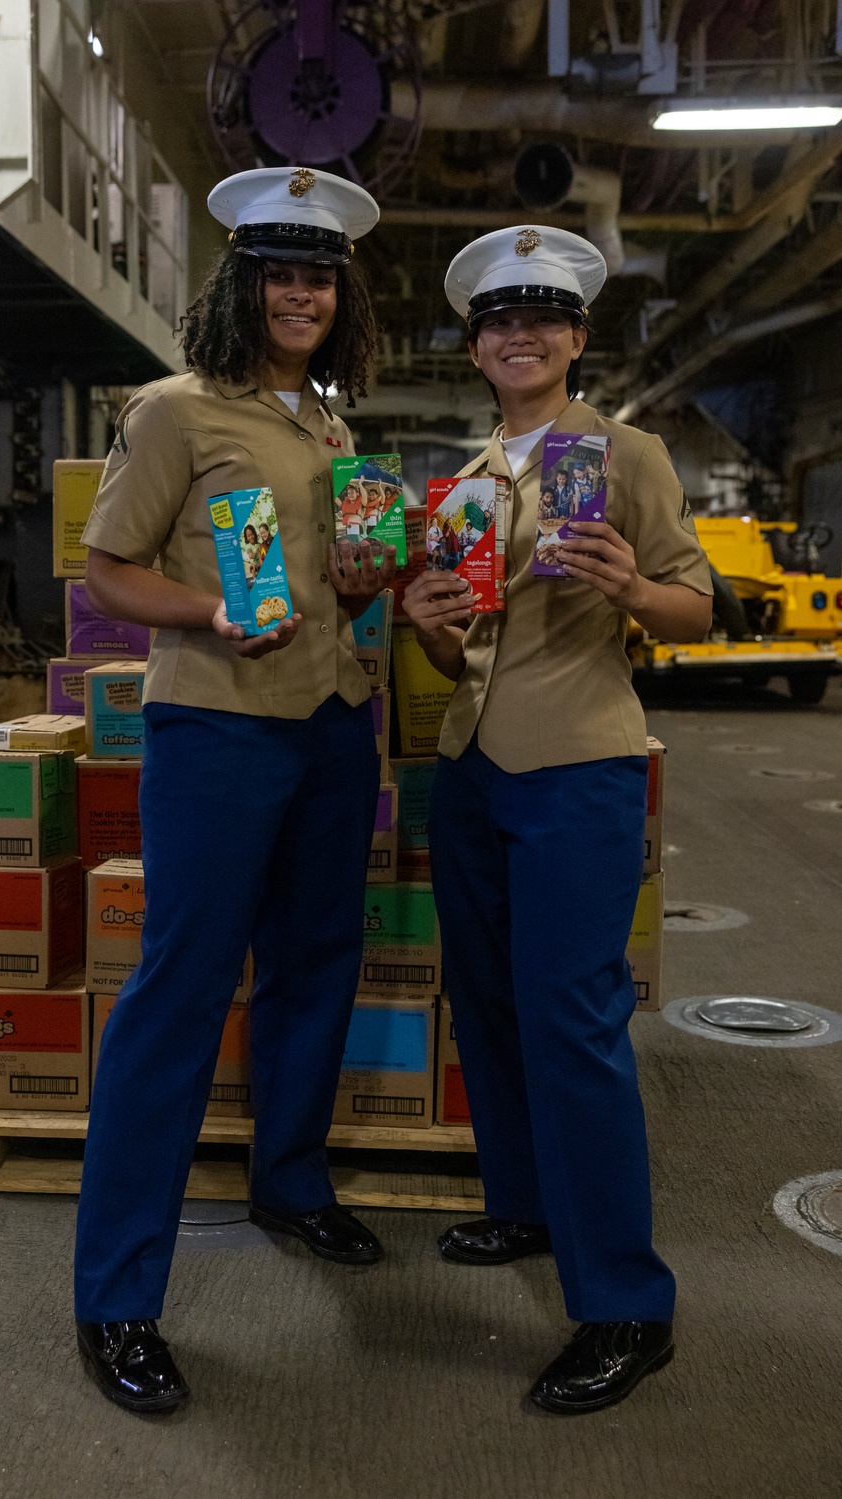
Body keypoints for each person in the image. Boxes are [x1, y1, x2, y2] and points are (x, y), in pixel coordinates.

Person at [72, 165, 397, 1415]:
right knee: (182, 982)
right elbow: (108, 573)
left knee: (318, 956)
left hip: (330, 722)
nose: (302, 291)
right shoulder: (175, 409)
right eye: (280, 271)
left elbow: (333, 577)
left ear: (339, 296)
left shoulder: (330, 426)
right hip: (218, 728)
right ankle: (116, 1296)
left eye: (320, 275)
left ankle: (291, 1179)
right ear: (242, 283)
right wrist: (211, 606)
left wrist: (373, 578)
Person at [402, 225, 713, 1416]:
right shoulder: (470, 481)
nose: (517, 333)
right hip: (471, 767)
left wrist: (634, 588)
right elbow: (457, 643)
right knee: (486, 1002)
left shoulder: (623, 454)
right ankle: (524, 1203)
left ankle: (626, 1303)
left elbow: (692, 603)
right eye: (495, 320)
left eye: (541, 316)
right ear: (475, 347)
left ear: (576, 337)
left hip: (576, 764)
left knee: (575, 1024)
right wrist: (427, 619)